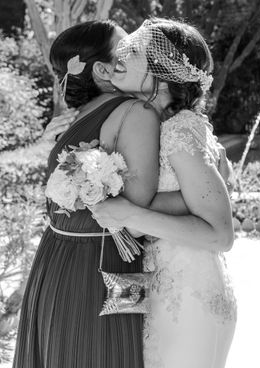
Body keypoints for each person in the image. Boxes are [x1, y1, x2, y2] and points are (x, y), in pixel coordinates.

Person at [13, 20, 160, 368]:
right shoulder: (136, 112)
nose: (139, 54)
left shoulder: (75, 116)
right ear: (102, 69)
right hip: (102, 266)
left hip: (54, 257)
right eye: (127, 49)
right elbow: (139, 209)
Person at [90, 18, 236, 368]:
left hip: (189, 296)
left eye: (135, 50)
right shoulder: (151, 123)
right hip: (158, 289)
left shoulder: (180, 129)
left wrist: (131, 215)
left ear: (162, 70)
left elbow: (220, 234)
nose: (120, 56)